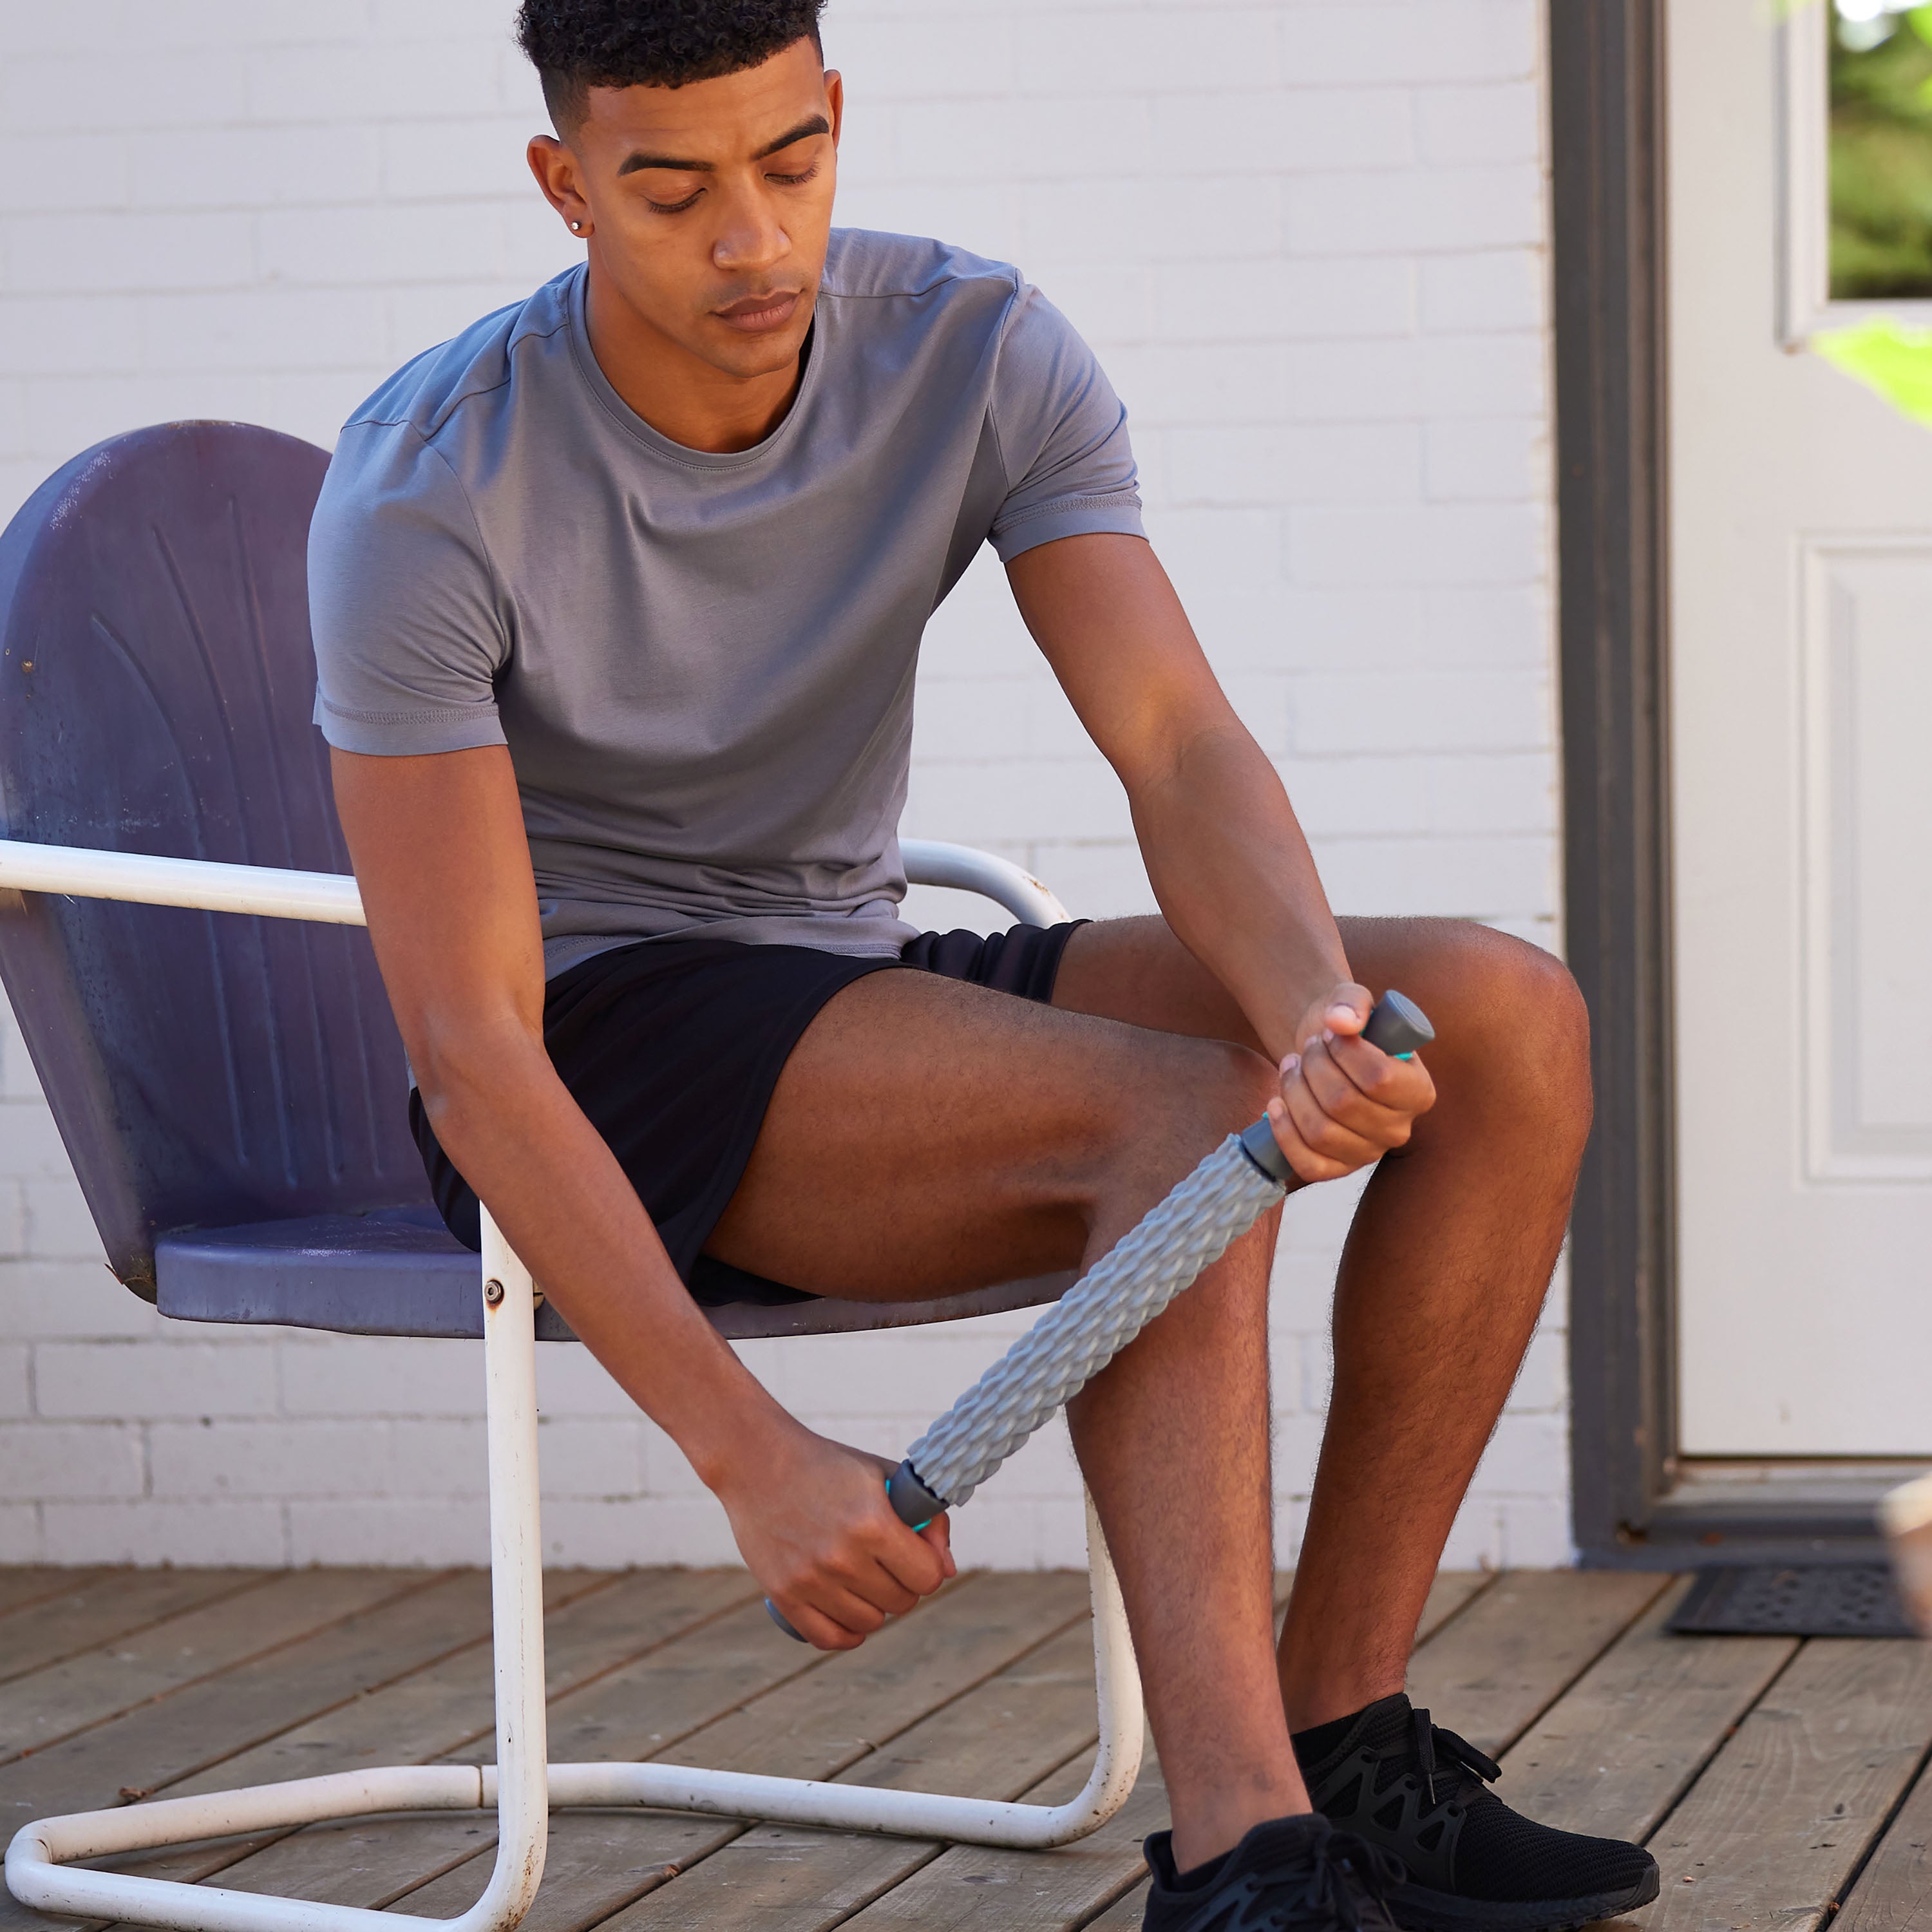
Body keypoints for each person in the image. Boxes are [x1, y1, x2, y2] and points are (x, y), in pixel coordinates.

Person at [306, 4, 1658, 1928]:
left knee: (1507, 1016)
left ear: (836, 117)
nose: (752, 241)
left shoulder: (973, 347)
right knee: (1180, 1123)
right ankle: (1246, 1855)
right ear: (565, 186)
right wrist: (745, 1452)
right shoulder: (425, 491)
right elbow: (466, 1045)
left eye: (790, 163)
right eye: (672, 190)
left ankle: (1349, 1741)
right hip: (605, 1042)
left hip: (855, 967)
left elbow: (1177, 736)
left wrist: (1308, 1019)